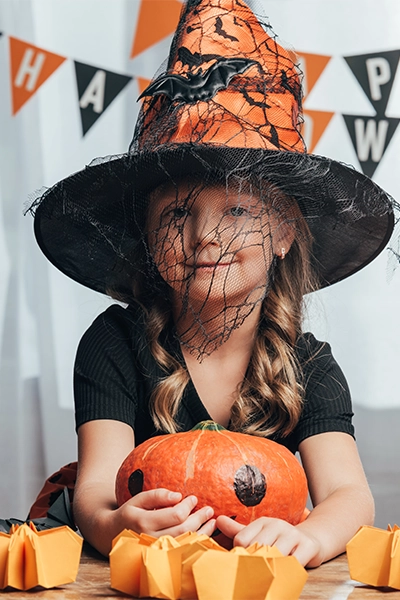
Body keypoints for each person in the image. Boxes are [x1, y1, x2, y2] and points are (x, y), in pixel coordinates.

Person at [29, 0, 395, 567]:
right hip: (144, 576)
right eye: (177, 215)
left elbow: (351, 496)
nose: (205, 238)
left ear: (282, 233)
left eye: (238, 212)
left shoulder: (308, 364)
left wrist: (313, 538)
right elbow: (97, 498)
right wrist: (116, 524)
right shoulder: (116, 343)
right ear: (148, 237)